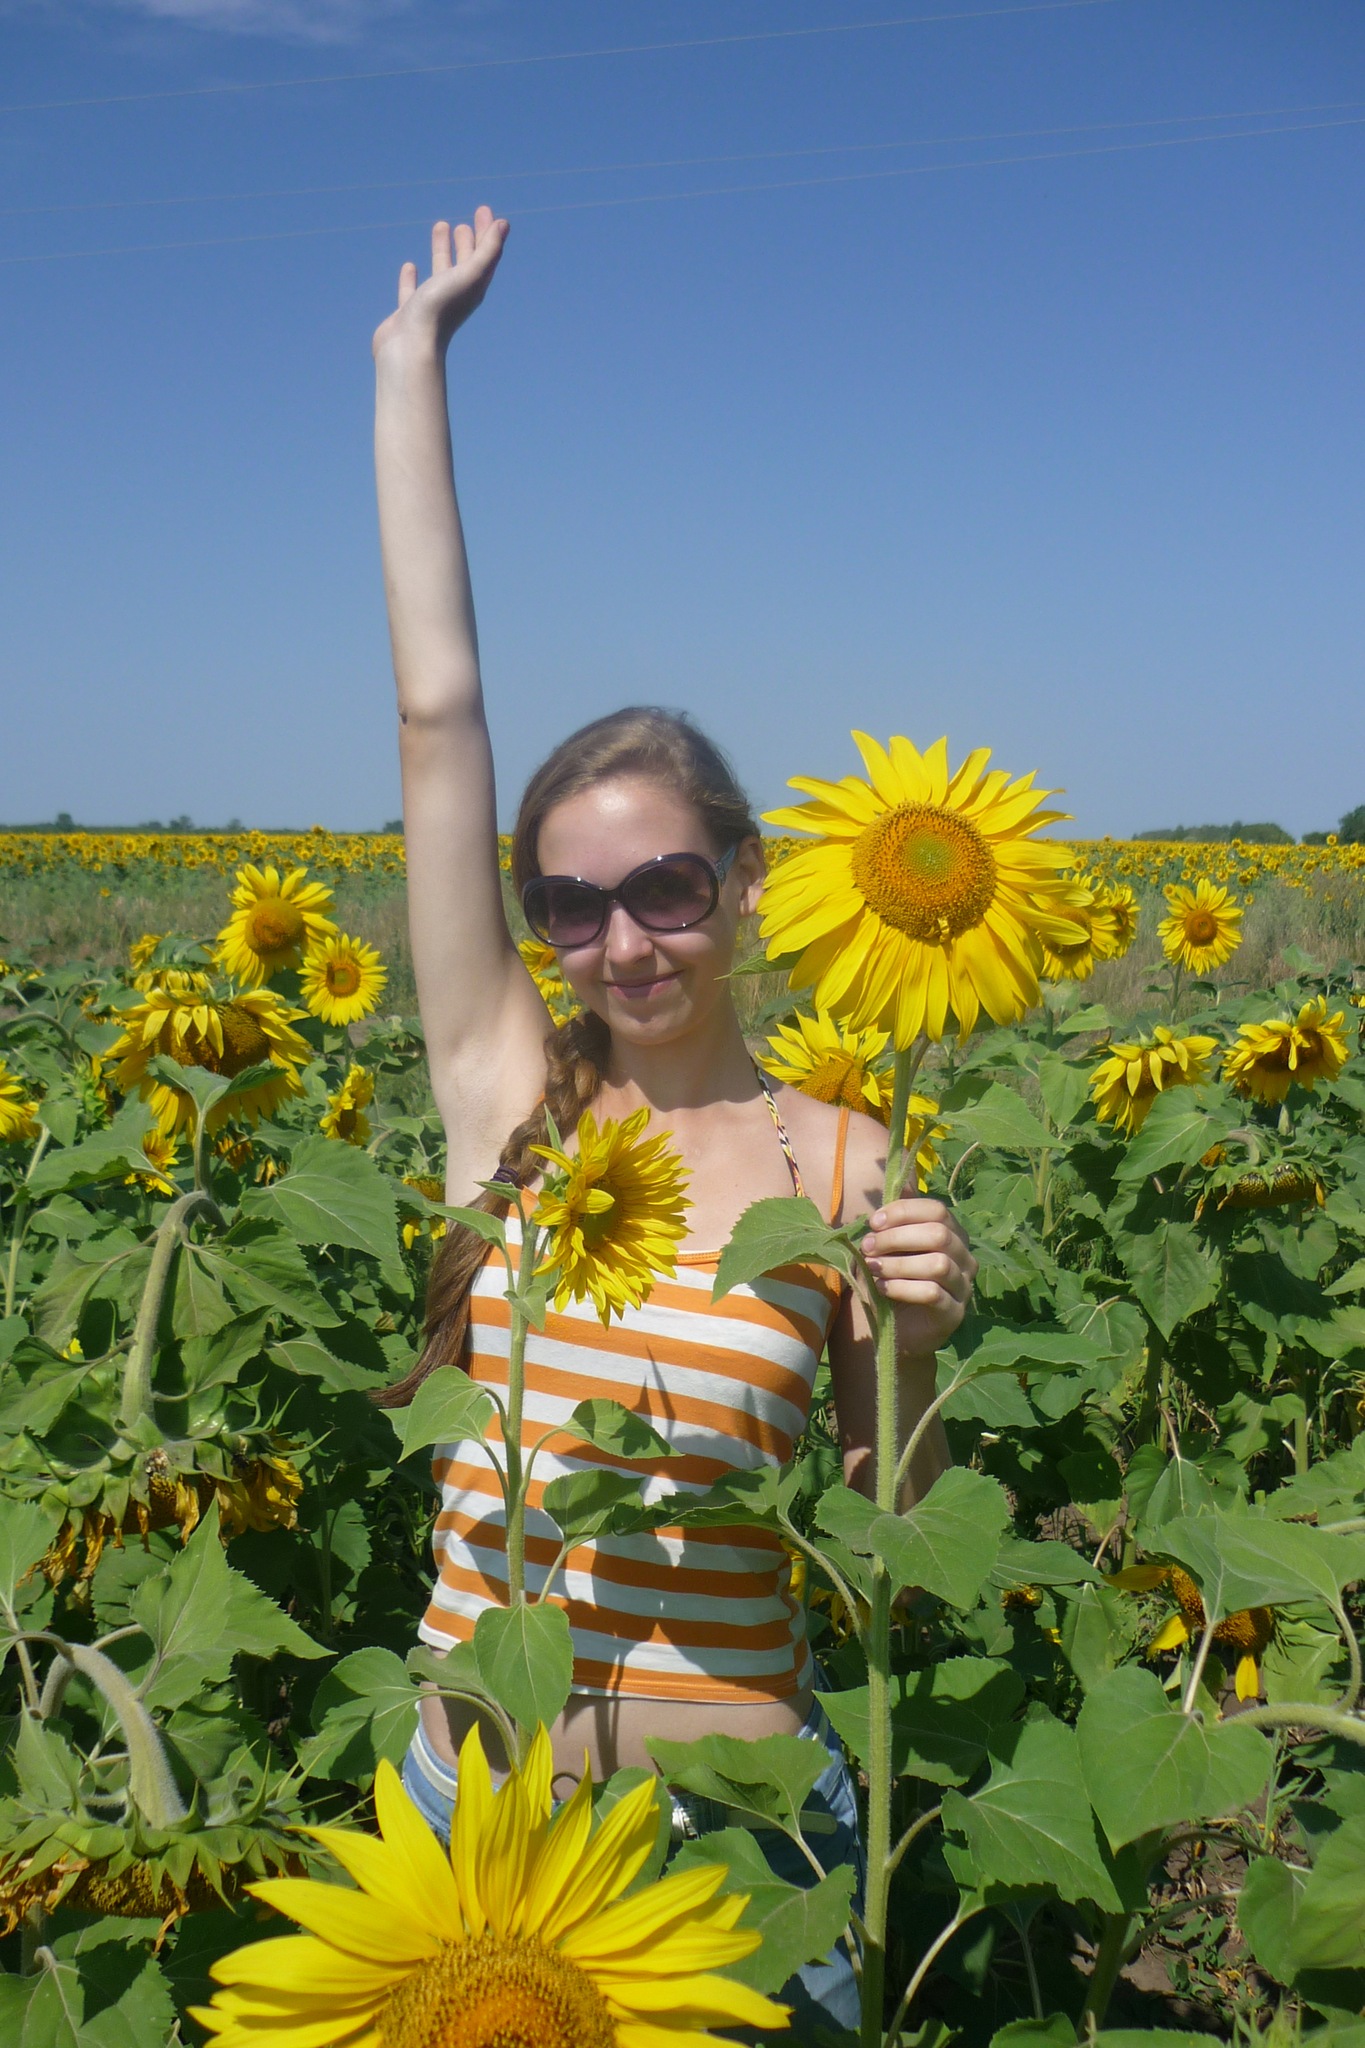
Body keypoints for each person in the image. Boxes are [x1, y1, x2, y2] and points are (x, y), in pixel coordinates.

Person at [371, 206, 977, 2038]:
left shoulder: (839, 1162)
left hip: (741, 1853)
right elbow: (436, 717)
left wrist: (919, 1350)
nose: (622, 942)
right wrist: (410, 365)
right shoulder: (506, 1099)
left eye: (666, 888)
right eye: (570, 906)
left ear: (746, 882)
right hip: (470, 1827)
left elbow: (884, 1523)